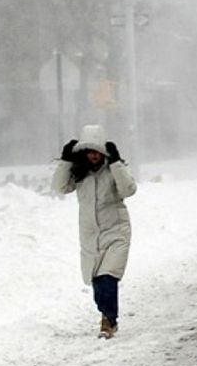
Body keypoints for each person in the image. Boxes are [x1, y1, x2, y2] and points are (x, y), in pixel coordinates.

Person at [51, 124, 137, 339]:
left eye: (96, 151)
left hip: (116, 231)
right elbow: (59, 188)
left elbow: (129, 190)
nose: (93, 156)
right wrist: (66, 161)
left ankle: (108, 322)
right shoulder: (80, 173)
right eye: (89, 151)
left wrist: (116, 163)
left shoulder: (113, 169)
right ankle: (106, 314)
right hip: (90, 235)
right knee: (97, 283)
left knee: (108, 277)